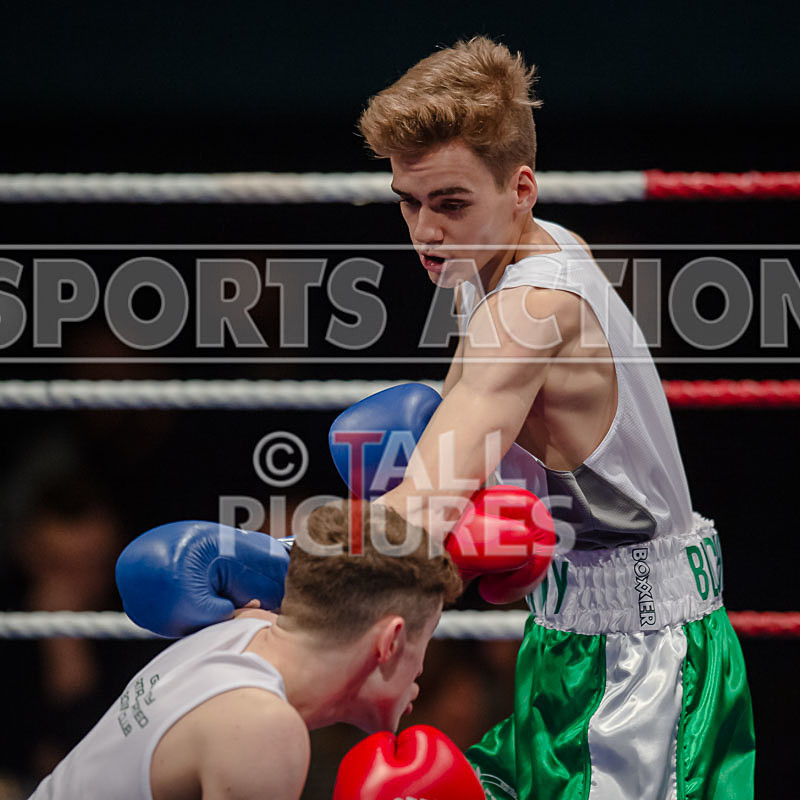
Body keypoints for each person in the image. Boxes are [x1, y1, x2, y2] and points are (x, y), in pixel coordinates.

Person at [355, 36, 755, 799]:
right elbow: (456, 449)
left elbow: (425, 505)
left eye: (450, 204)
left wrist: (279, 567)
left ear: (522, 188)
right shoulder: (516, 251)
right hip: (575, 641)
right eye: (409, 202)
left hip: (642, 665)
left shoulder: (530, 309)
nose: (425, 231)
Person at [29, 500, 486, 800]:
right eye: (424, 643)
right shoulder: (264, 730)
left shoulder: (241, 628)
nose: (422, 671)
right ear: (389, 642)